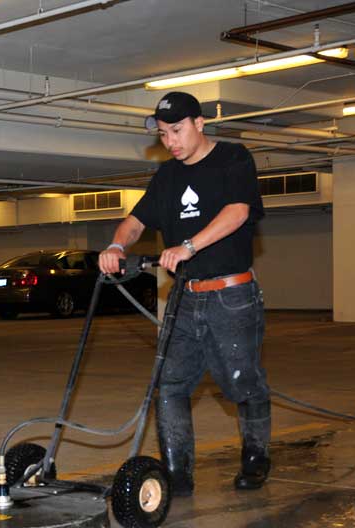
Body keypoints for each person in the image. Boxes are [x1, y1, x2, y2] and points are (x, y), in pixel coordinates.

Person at [99, 91, 271, 495]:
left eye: (176, 130)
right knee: (171, 385)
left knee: (241, 382)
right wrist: (116, 247)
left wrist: (189, 245)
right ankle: (177, 474)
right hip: (185, 297)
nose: (170, 141)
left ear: (199, 123)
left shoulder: (233, 158)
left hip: (232, 295)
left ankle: (256, 457)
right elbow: (136, 220)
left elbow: (238, 212)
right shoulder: (167, 177)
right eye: (163, 134)